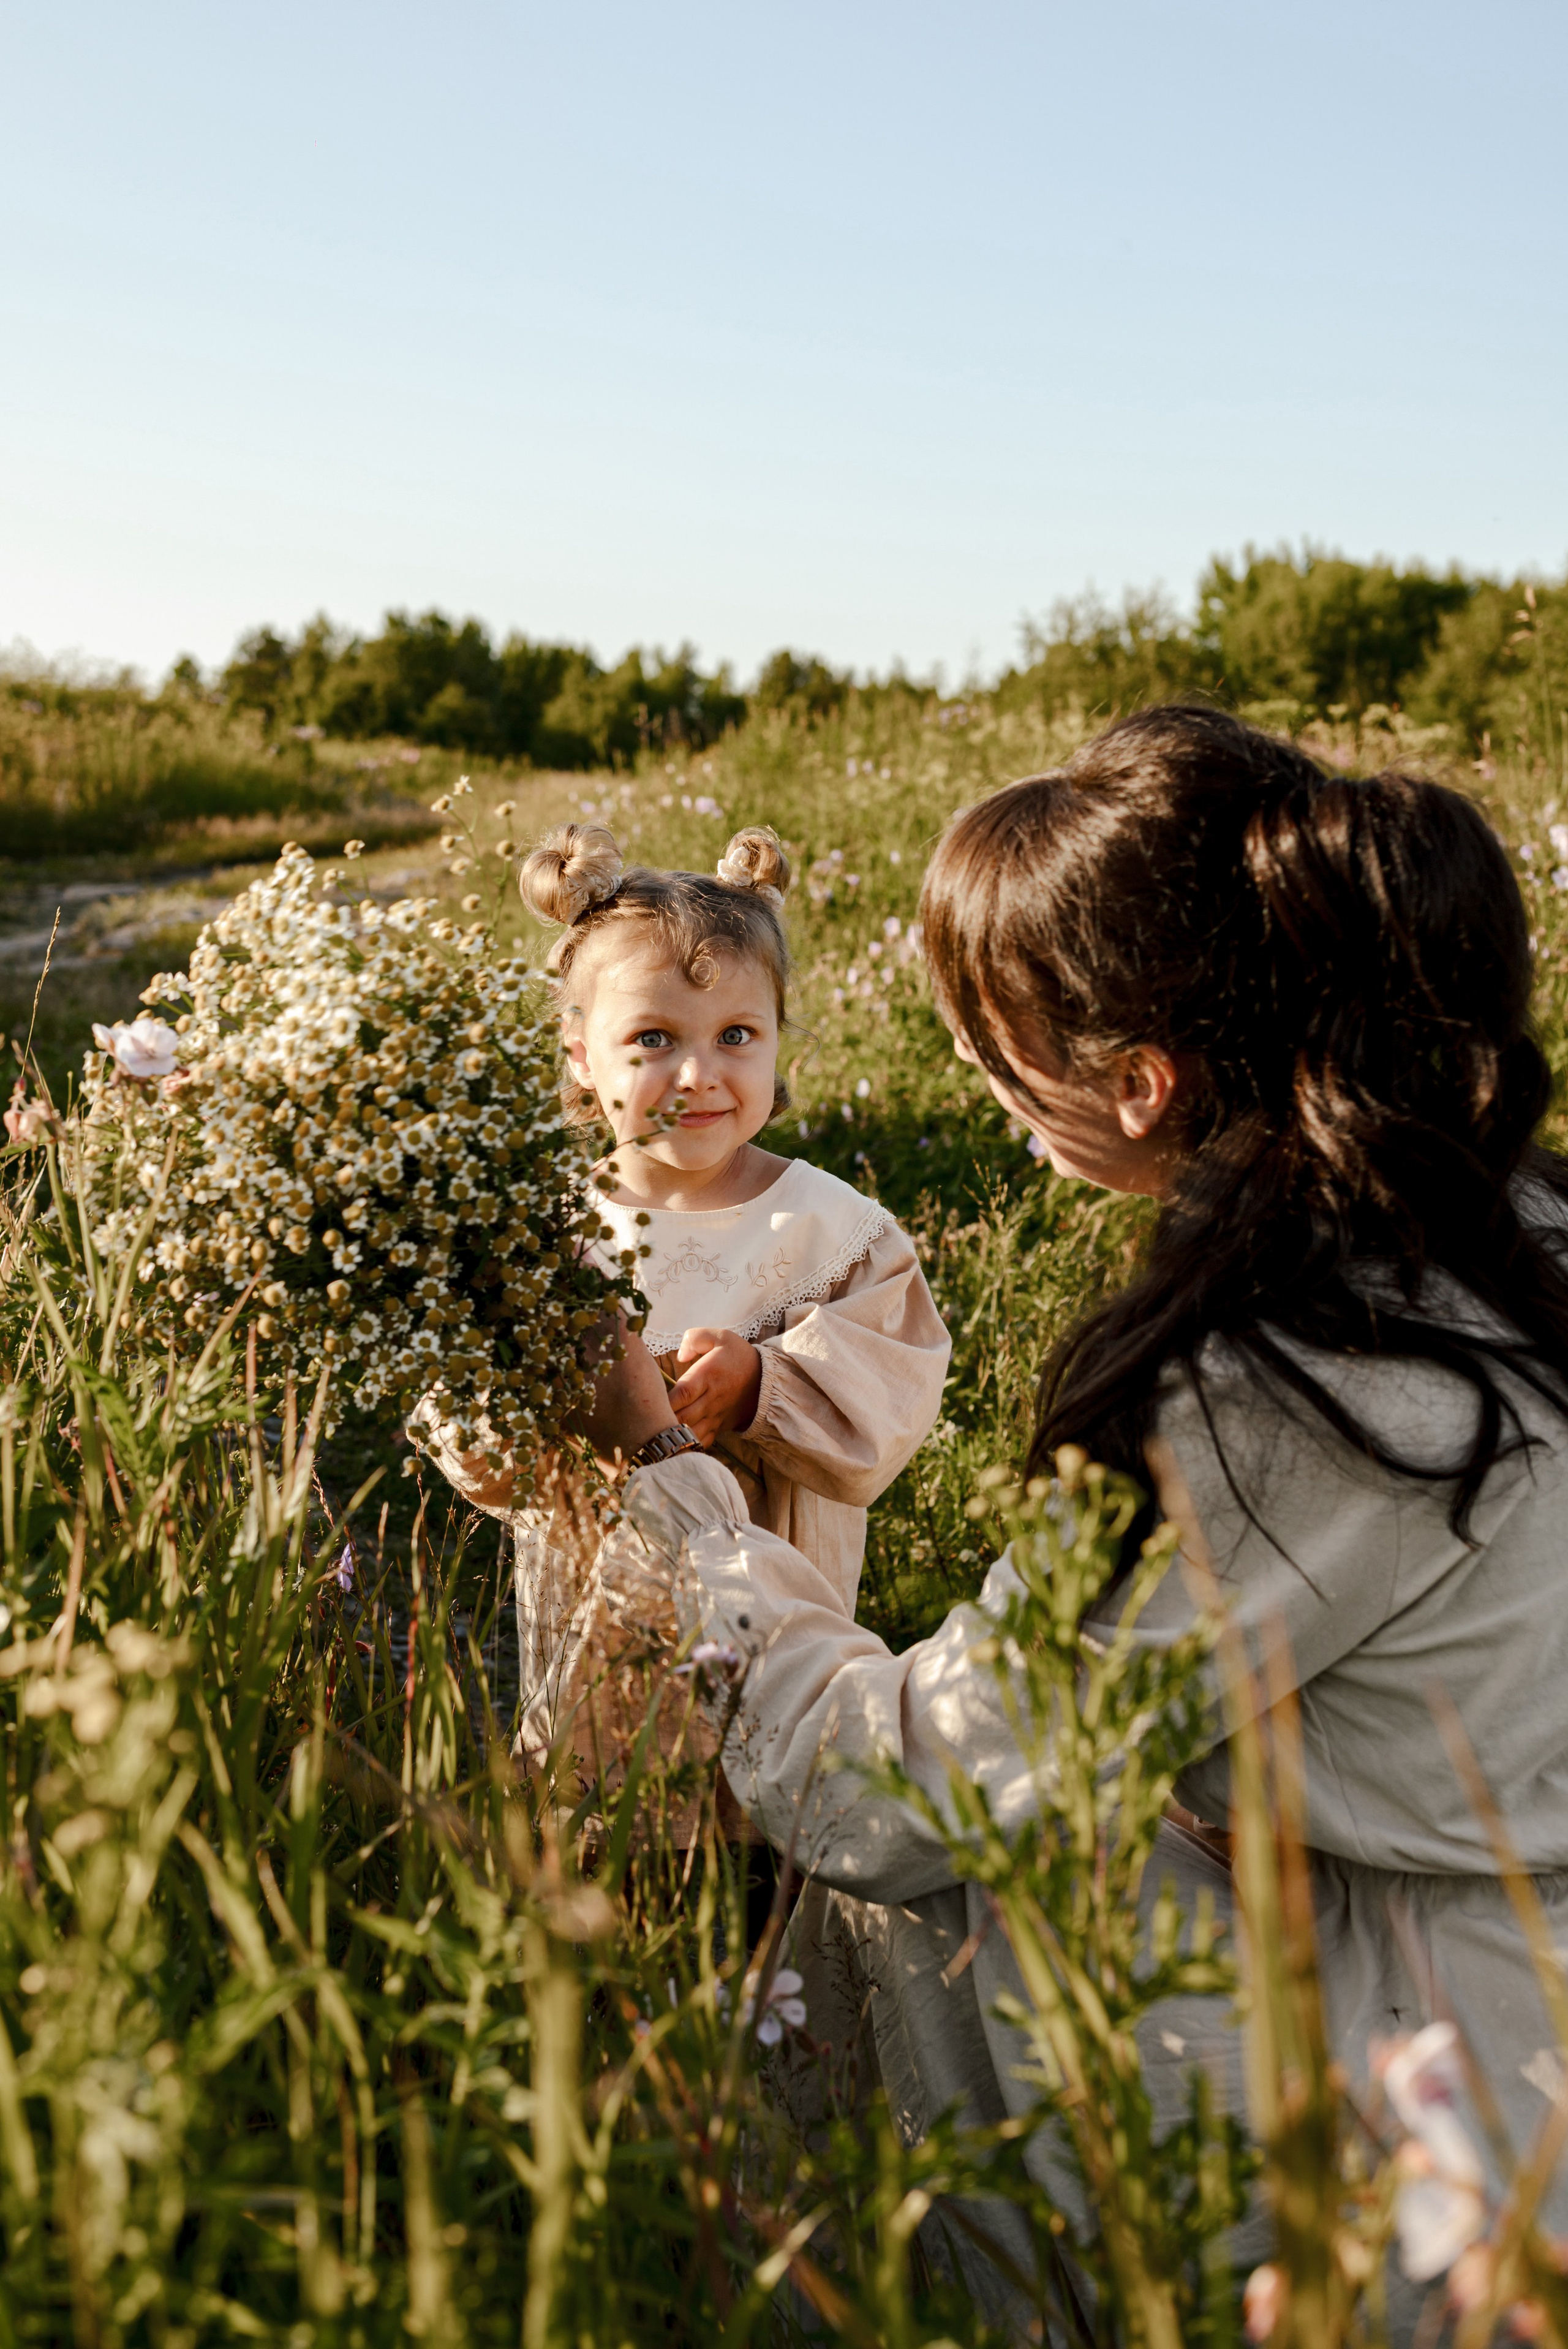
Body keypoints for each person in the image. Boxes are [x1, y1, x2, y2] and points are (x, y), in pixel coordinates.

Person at [580, 707, 1568, 2337]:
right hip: (1487, 1948)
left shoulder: (1289, 1376)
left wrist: (669, 1484)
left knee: (944, 1873)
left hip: (1452, 2086)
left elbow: (899, 1781)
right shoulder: (1506, 1215)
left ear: (1140, 1082)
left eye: (996, 1056)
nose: (989, 1097)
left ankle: (849, 2286)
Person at [418, 818, 950, 1769]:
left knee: (767, 1776)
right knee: (610, 1780)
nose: (700, 1073)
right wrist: (547, 1409)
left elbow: (895, 1392)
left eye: (737, 1035)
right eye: (654, 1038)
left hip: (779, 1632)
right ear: (582, 1056)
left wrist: (764, 1386)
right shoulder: (550, 1235)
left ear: (779, 1040)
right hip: (597, 1621)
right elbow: (476, 1439)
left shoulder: (829, 1228)